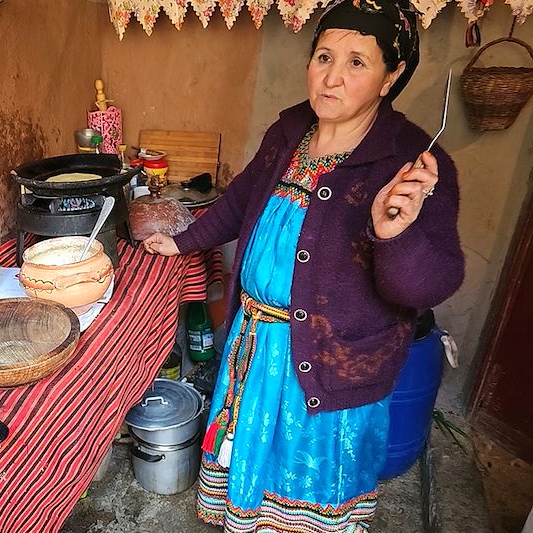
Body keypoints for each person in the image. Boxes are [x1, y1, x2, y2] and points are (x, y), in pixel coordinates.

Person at [142, 0, 465, 531]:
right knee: (251, 468)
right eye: (323, 57)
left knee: (309, 479)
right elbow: (242, 198)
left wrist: (395, 235)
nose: (331, 78)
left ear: (392, 75)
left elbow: (425, 286)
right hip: (255, 341)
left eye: (357, 62)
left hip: (330, 362)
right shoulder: (291, 128)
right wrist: (180, 243)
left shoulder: (411, 163)